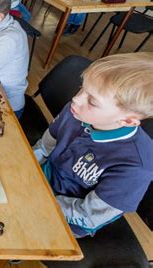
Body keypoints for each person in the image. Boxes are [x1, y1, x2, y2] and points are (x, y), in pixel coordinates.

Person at [33, 53, 153, 237]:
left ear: (128, 120)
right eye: (82, 88)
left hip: (70, 217)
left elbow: (88, 216)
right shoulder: (76, 111)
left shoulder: (136, 167)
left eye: (92, 101)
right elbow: (45, 146)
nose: (76, 99)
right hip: (44, 179)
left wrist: (35, 200)